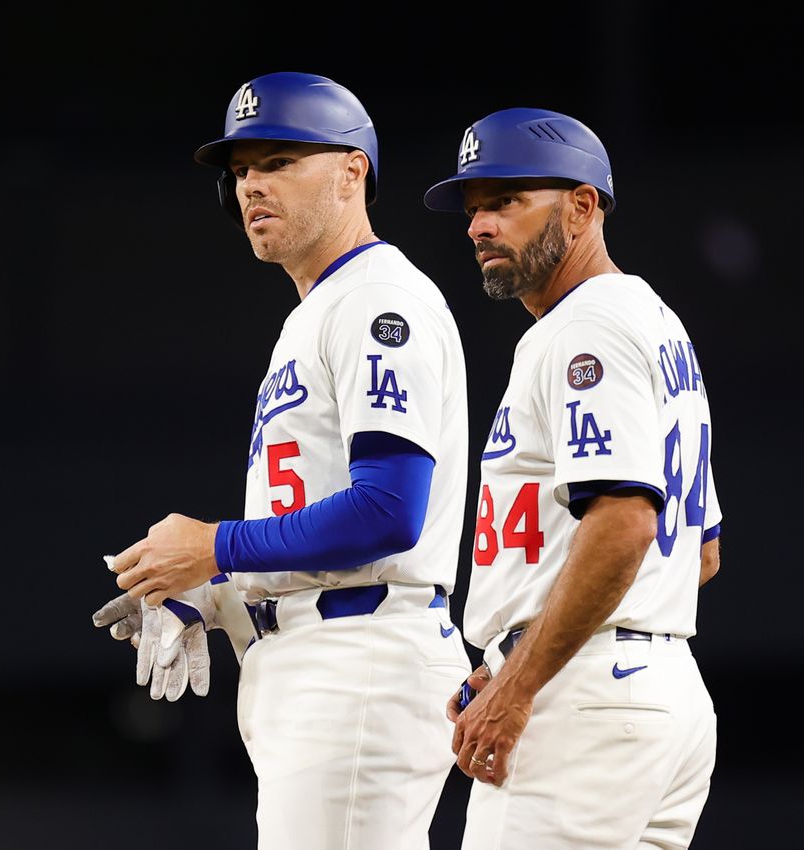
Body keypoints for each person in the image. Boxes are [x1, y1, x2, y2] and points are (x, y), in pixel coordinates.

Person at [93, 72, 472, 850]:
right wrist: (220, 585)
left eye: (278, 161)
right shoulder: (321, 309)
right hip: (318, 657)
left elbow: (389, 510)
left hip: (360, 656)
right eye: (240, 172)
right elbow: (327, 507)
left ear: (351, 170)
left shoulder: (376, 301)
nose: (251, 187)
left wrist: (214, 546)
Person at [423, 108, 724, 850]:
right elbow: (702, 556)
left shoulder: (584, 328)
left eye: (505, 202)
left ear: (583, 207)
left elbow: (624, 521)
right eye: (473, 208)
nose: (479, 226)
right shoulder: (655, 322)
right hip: (657, 692)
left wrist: (522, 681)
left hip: (585, 702)